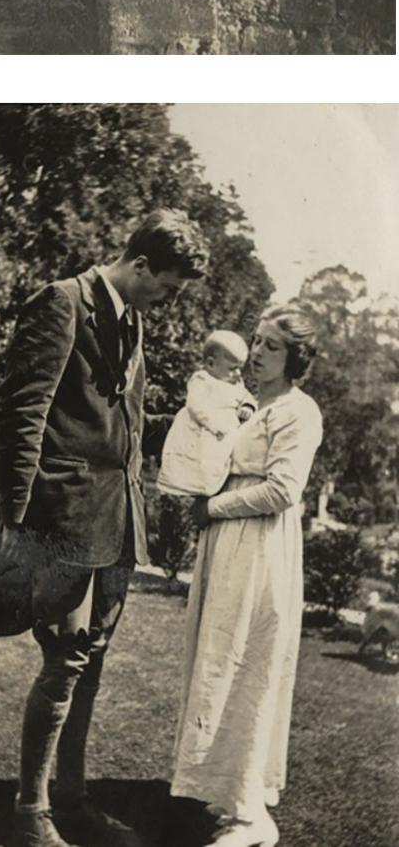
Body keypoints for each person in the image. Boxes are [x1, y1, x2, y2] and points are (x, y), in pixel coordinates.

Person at [0, 210, 210, 847]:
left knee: (91, 658)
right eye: (167, 285)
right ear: (140, 265)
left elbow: (128, 429)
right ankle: (31, 813)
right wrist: (15, 515)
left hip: (115, 521)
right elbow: (19, 411)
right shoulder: (63, 302)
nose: (168, 300)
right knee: (64, 658)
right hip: (63, 516)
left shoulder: (133, 320)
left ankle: (71, 798)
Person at [170, 307, 323, 847]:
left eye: (272, 346)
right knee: (219, 665)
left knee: (248, 667)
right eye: (256, 341)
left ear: (296, 358)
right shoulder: (255, 406)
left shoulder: (300, 412)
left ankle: (251, 818)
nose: (256, 352)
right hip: (229, 547)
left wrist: (213, 508)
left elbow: (283, 491)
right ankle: (229, 793)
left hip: (260, 549)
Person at [157, 330, 255, 497]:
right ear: (210, 364)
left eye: (240, 369)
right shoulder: (202, 380)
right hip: (203, 429)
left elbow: (247, 395)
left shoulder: (236, 383)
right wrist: (214, 425)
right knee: (194, 461)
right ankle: (184, 490)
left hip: (223, 436)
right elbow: (195, 405)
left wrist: (248, 406)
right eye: (233, 368)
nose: (238, 374)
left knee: (216, 465)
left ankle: (208, 489)